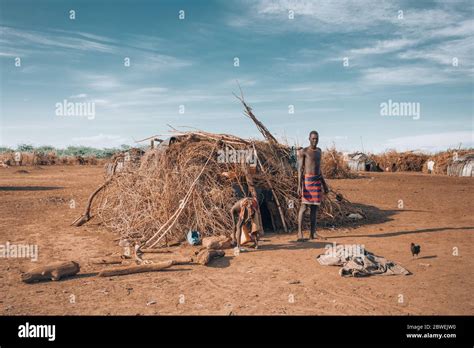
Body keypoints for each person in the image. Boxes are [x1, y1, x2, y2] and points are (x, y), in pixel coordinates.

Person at [297, 130, 329, 241]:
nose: (315, 140)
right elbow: (300, 170)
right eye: (313, 138)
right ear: (309, 139)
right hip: (307, 181)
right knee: (304, 207)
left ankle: (312, 233)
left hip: (317, 181)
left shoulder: (319, 151)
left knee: (315, 208)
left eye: (317, 138)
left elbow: (319, 170)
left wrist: (324, 184)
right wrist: (299, 186)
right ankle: (300, 234)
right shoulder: (304, 151)